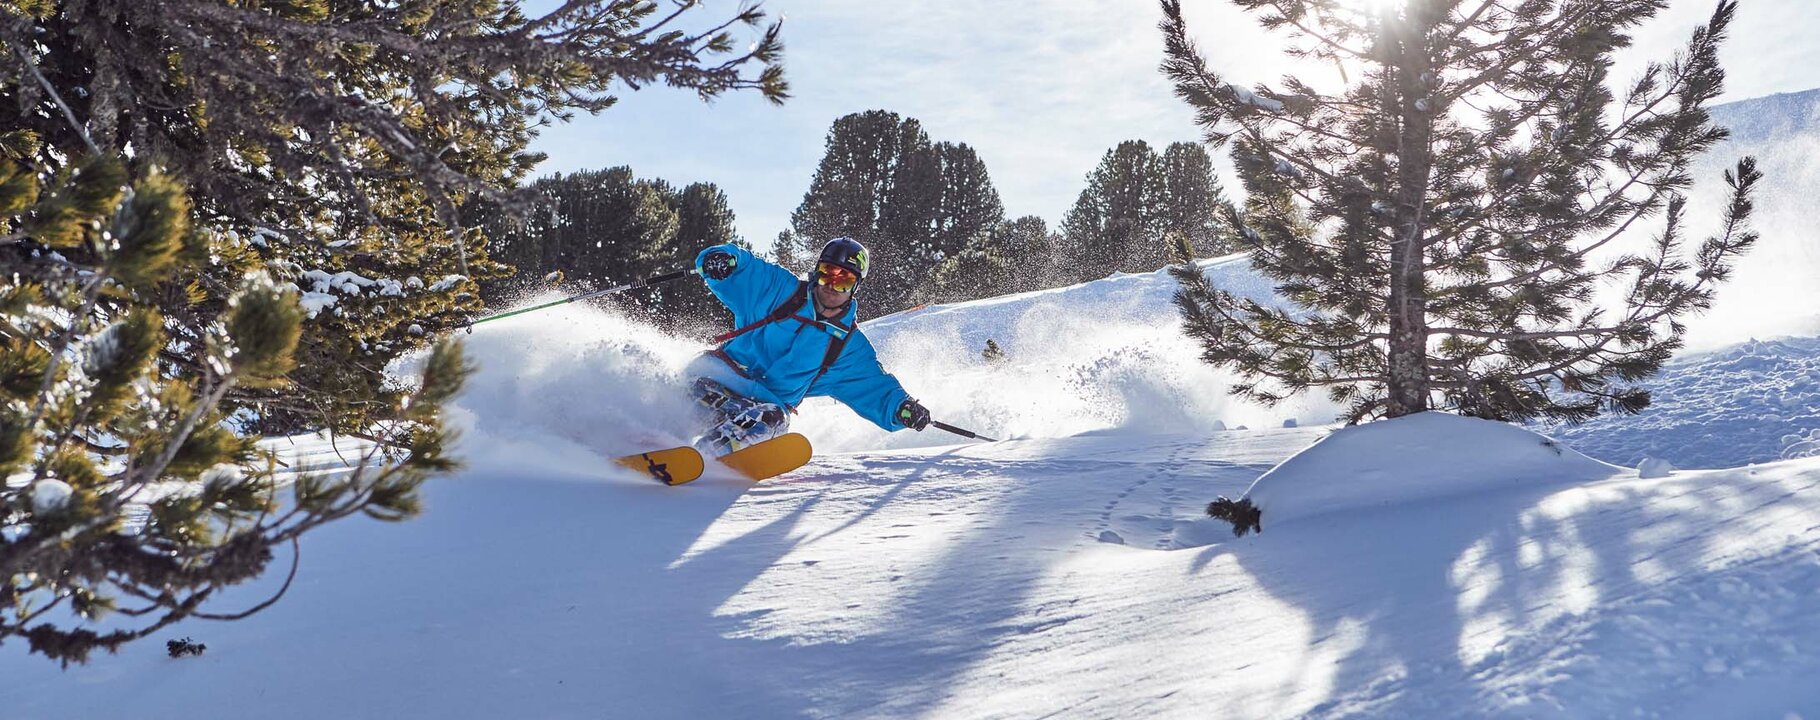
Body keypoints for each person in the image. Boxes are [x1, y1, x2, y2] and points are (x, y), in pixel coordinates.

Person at [684, 237, 931, 456]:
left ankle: (701, 459)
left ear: (855, 287)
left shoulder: (846, 347)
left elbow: (874, 388)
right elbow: (745, 266)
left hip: (757, 412)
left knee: (773, 419)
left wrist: (902, 408)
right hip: (713, 379)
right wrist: (723, 260)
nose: (832, 286)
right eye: (827, 274)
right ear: (816, 272)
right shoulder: (780, 290)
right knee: (761, 416)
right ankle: (661, 437)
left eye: (843, 280)